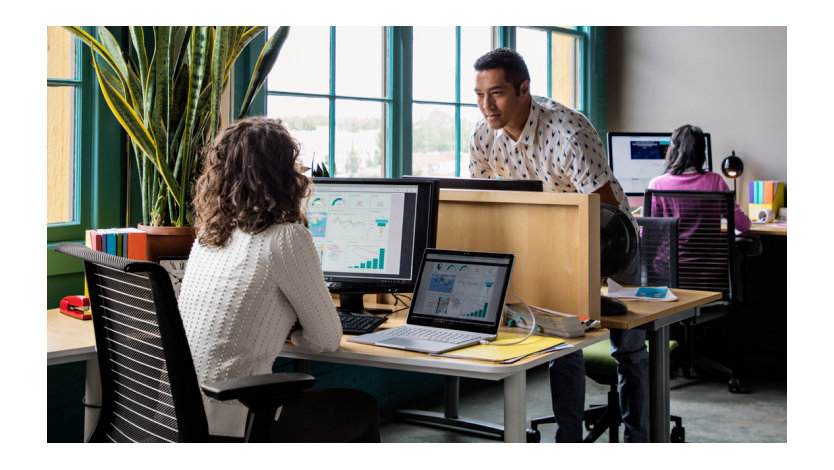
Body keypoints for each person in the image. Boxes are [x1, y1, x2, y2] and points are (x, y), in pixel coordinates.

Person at [469, 48, 648, 442]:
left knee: (628, 350)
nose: (486, 105)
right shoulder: (484, 135)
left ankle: (640, 440)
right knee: (561, 347)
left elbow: (609, 217)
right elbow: (483, 201)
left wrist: (588, 277)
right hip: (549, 243)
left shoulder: (569, 133)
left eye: (496, 93)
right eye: (479, 95)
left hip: (611, 243)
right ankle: (569, 442)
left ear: (523, 88)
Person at [178, 116, 380, 442]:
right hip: (236, 419)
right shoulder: (285, 238)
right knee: (361, 406)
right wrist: (296, 332)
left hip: (181, 416)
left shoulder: (208, 237)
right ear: (284, 174)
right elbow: (326, 340)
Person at [647, 124, 751, 280]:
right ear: (702, 153)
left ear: (673, 151)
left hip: (670, 270)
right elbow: (743, 225)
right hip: (709, 271)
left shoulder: (658, 185)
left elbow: (648, 235)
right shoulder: (716, 181)